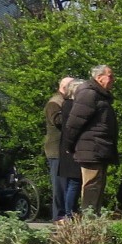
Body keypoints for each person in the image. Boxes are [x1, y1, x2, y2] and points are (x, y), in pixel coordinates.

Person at [58, 66, 117, 216]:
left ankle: (93, 222)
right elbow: (74, 123)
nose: (113, 80)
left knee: (97, 187)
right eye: (110, 76)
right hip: (91, 149)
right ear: (99, 78)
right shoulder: (89, 94)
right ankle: (88, 225)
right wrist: (69, 145)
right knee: (91, 188)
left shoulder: (99, 95)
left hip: (98, 148)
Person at [43, 76, 74, 219]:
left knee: (68, 183)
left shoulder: (64, 102)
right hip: (56, 149)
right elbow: (58, 121)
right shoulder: (54, 103)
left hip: (64, 149)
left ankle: (67, 213)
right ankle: (59, 215)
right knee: (59, 184)